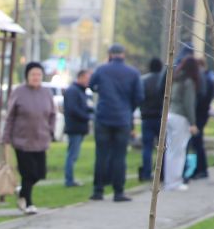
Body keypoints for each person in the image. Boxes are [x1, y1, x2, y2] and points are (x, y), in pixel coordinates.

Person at [89, 43, 142, 202]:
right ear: (123, 54)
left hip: (103, 117)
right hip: (123, 118)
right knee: (120, 156)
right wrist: (128, 108)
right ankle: (118, 191)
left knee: (101, 155)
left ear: (110, 54)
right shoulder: (133, 73)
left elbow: (92, 86)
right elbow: (139, 96)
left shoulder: (101, 69)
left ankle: (98, 190)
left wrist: (103, 92)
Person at [3, 61, 55, 213]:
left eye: (39, 74)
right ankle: (28, 203)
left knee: (40, 174)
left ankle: (21, 192)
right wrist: (6, 137)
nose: (36, 77)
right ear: (27, 76)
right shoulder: (19, 92)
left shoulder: (46, 93)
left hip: (41, 139)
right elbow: (10, 116)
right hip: (22, 140)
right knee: (28, 173)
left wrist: (50, 130)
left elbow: (52, 114)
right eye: (33, 74)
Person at [164, 53, 200, 191]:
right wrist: (193, 123)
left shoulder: (176, 79)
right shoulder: (189, 82)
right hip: (181, 117)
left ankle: (169, 180)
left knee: (170, 150)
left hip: (170, 115)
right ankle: (175, 182)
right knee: (179, 151)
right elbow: (188, 104)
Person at [62, 66, 93, 187]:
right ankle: (69, 180)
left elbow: (82, 107)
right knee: (72, 155)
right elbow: (73, 109)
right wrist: (88, 117)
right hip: (74, 127)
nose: (88, 81)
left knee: (74, 155)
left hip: (78, 127)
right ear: (80, 78)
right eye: (86, 78)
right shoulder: (73, 91)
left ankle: (70, 179)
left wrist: (91, 110)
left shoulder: (79, 91)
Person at [136, 56, 163, 182]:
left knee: (147, 146)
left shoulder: (143, 80)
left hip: (146, 116)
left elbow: (139, 97)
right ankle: (161, 172)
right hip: (160, 117)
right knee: (162, 146)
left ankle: (146, 173)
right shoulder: (164, 80)